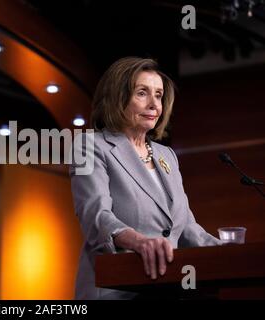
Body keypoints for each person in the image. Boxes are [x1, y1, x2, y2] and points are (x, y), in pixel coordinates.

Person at [69, 57, 221, 300]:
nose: (154, 105)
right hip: (117, 289)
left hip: (168, 286)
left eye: (159, 95)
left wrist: (229, 251)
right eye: (142, 93)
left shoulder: (167, 155)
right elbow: (95, 216)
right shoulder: (89, 146)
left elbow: (186, 229)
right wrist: (140, 242)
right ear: (118, 98)